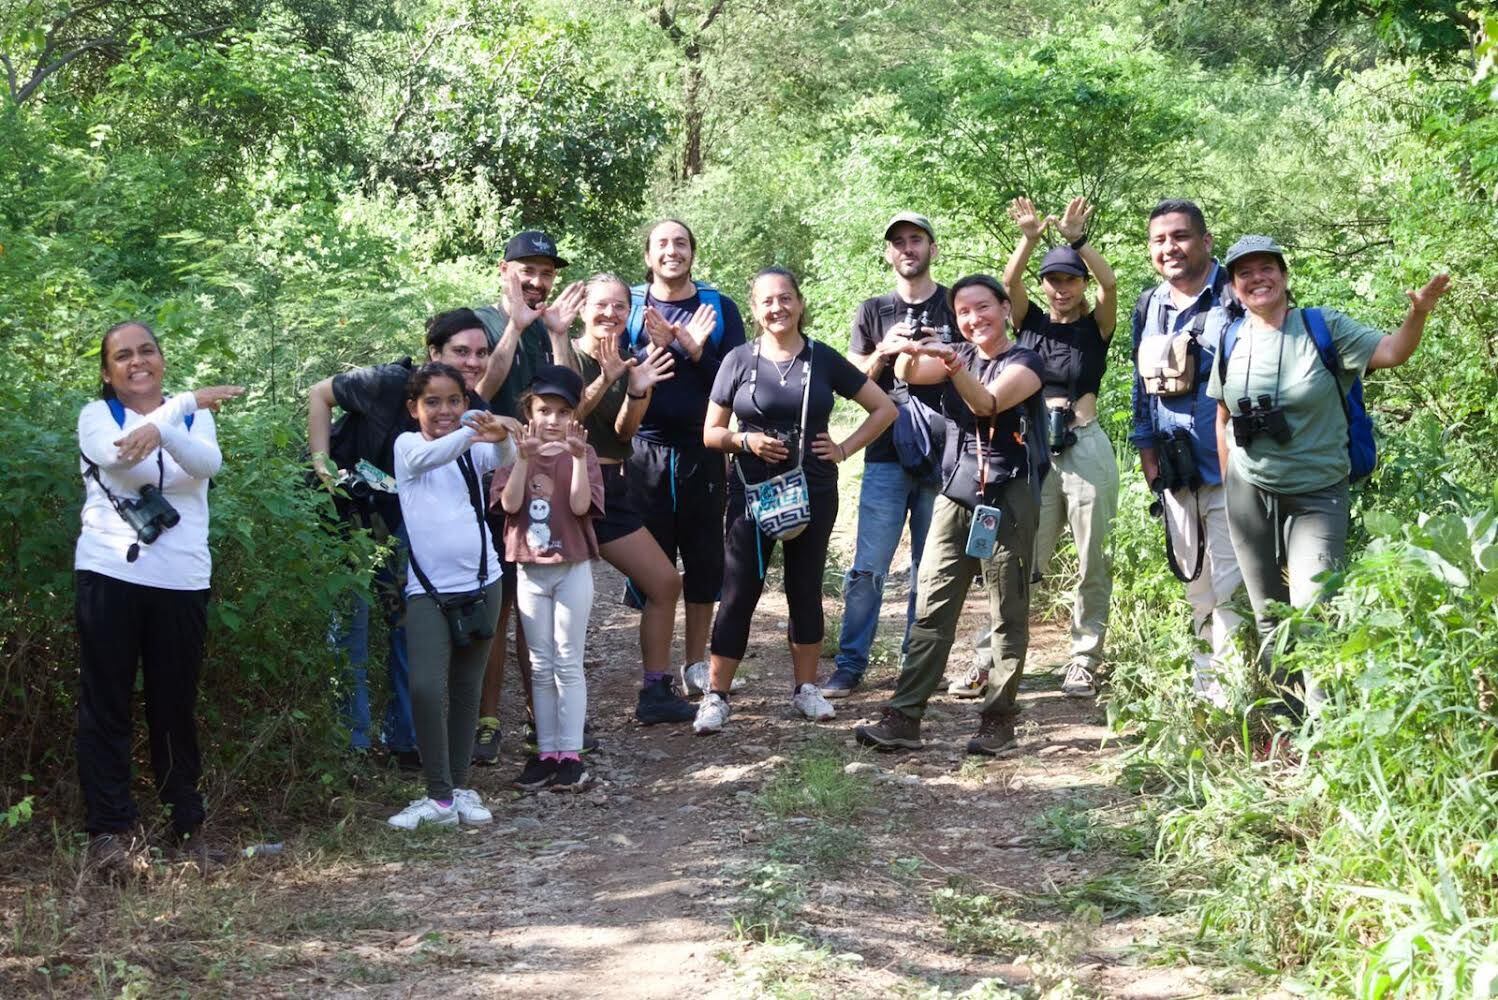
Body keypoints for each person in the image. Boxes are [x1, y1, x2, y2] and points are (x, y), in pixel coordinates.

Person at [1208, 235, 1449, 720]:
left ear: (1284, 275)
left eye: (1267, 268)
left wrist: (1418, 312)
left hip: (1316, 492)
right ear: (1234, 287)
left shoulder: (1321, 327)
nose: (1258, 279)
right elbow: (1222, 416)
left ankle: (1326, 731)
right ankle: (1287, 721)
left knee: (1314, 608)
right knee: (1269, 613)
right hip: (1248, 491)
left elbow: (1391, 351)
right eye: (1245, 273)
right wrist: (1230, 476)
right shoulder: (1232, 339)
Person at [694, 267, 896, 735]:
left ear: (800, 303)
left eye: (785, 298)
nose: (777, 308)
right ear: (755, 309)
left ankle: (805, 689)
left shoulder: (821, 359)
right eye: (766, 301)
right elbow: (710, 432)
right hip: (752, 491)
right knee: (739, 590)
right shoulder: (738, 361)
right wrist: (746, 442)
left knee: (804, 588)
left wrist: (844, 449)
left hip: (812, 488)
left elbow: (884, 407)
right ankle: (717, 695)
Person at [308, 308, 511, 769]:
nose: (473, 361)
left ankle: (406, 742)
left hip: (400, 520)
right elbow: (320, 395)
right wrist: (322, 465)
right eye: (461, 351)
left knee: (405, 627)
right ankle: (353, 747)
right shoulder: (385, 383)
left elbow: (495, 453)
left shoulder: (465, 403)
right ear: (433, 353)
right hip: (344, 515)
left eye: (481, 353)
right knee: (350, 629)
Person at [854, 275, 1047, 755]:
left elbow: (987, 404)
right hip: (956, 494)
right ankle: (904, 715)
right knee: (932, 605)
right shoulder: (956, 355)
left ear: (1005, 308)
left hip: (1009, 497)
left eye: (983, 308)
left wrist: (952, 361)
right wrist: (912, 348)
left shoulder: (1025, 360)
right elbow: (904, 374)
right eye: (962, 312)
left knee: (1007, 612)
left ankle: (997, 721)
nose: (973, 319)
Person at [75, 321, 243, 868]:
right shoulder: (96, 415)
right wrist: (184, 405)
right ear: (108, 371)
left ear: (162, 359)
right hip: (109, 574)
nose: (137, 361)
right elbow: (119, 453)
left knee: (174, 704)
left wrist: (172, 422)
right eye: (122, 356)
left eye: (146, 350)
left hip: (182, 579)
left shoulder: (192, 418)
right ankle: (111, 833)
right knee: (107, 703)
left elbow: (207, 466)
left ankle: (186, 826)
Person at [820, 212, 953, 699]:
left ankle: (914, 668)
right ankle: (850, 665)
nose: (907, 248)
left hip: (944, 455)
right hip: (884, 454)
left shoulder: (955, 303)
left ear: (932, 248)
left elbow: (974, 363)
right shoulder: (872, 310)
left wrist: (938, 351)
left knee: (930, 568)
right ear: (888, 254)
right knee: (868, 567)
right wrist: (884, 352)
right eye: (898, 242)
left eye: (916, 240)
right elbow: (848, 380)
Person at [469, 232, 588, 765]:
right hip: (486, 477)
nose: (537, 282)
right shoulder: (481, 323)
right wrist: (514, 327)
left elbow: (573, 395)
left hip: (546, 487)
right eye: (528, 270)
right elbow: (481, 393)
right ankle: (488, 719)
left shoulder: (548, 329)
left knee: (535, 603)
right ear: (504, 269)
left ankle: (551, 726)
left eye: (546, 273)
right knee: (498, 609)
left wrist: (558, 334)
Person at [387, 364, 517, 829]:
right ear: (413, 408)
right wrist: (473, 429)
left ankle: (458, 789)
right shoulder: (408, 446)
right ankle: (437, 795)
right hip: (427, 590)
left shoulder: (467, 450)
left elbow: (506, 460)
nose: (445, 411)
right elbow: (429, 458)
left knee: (467, 688)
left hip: (483, 581)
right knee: (425, 687)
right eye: (433, 402)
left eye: (455, 401)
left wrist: (499, 435)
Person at [621, 219, 747, 696]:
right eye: (662, 244)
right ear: (648, 256)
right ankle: (656, 671)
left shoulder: (717, 307)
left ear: (693, 251)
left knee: (704, 559)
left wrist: (695, 350)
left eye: (680, 243)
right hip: (644, 452)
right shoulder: (631, 307)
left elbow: (738, 376)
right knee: (655, 566)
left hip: (702, 450)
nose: (671, 251)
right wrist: (652, 346)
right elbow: (617, 372)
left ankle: (696, 664)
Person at [567, 273, 698, 724]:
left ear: (631, 313)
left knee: (664, 583)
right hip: (564, 489)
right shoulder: (564, 356)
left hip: (611, 489)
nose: (609, 314)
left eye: (619, 307)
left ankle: (655, 690)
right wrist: (605, 379)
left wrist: (638, 388)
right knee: (564, 604)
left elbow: (624, 432)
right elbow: (567, 421)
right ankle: (554, 714)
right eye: (601, 305)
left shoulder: (630, 361)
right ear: (583, 309)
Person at [1128, 200, 1244, 709]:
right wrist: (1145, 449)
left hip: (1230, 465)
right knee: (1196, 582)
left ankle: (1238, 696)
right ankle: (1206, 693)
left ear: (1205, 241)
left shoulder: (1235, 295)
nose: (1169, 248)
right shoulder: (1148, 306)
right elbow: (1140, 385)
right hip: (1173, 469)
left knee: (1232, 584)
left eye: (1180, 236)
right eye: (1159, 240)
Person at [1003, 196, 1119, 699]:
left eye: (1071, 278)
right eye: (1054, 279)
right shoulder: (1029, 324)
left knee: (1095, 554)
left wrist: (1078, 242)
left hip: (1087, 445)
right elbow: (1008, 285)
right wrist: (1029, 238)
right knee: (1022, 556)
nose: (1062, 287)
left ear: (1081, 285)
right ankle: (996, 655)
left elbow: (1111, 284)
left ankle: (1083, 658)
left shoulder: (1097, 326)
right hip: (1033, 449)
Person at [496, 366, 606, 791]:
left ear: (574, 416)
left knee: (568, 660)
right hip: (529, 570)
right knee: (540, 665)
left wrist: (578, 459)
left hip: (571, 567)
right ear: (530, 412)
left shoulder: (584, 455)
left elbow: (581, 508)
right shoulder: (515, 454)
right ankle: (545, 753)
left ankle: (571, 754)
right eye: (544, 410)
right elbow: (510, 503)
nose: (553, 420)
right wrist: (522, 459)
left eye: (563, 411)